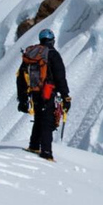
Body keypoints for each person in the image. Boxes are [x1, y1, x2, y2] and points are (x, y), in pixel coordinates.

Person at [16, 28, 70, 161]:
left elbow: (21, 78)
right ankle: (46, 152)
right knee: (47, 121)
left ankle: (34, 145)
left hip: (34, 92)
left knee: (39, 117)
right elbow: (60, 77)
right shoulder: (52, 54)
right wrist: (65, 96)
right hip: (48, 92)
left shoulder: (32, 54)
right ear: (52, 40)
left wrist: (22, 99)